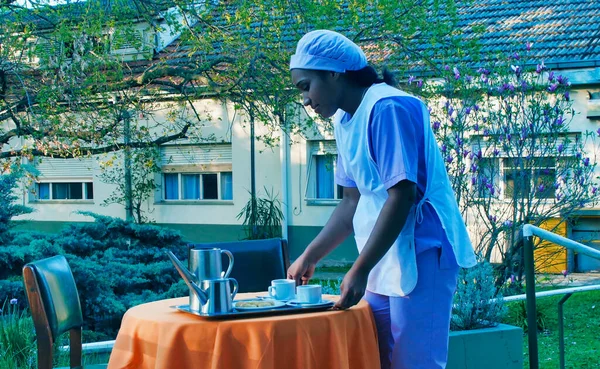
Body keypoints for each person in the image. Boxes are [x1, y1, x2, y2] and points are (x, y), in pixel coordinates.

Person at [287, 30, 477, 369]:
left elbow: (402, 195)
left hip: (423, 250)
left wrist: (358, 270)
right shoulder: (345, 120)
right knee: (377, 358)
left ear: (333, 73)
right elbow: (350, 204)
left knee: (415, 363)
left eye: (306, 86)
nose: (305, 100)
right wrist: (310, 255)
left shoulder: (388, 107)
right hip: (382, 256)